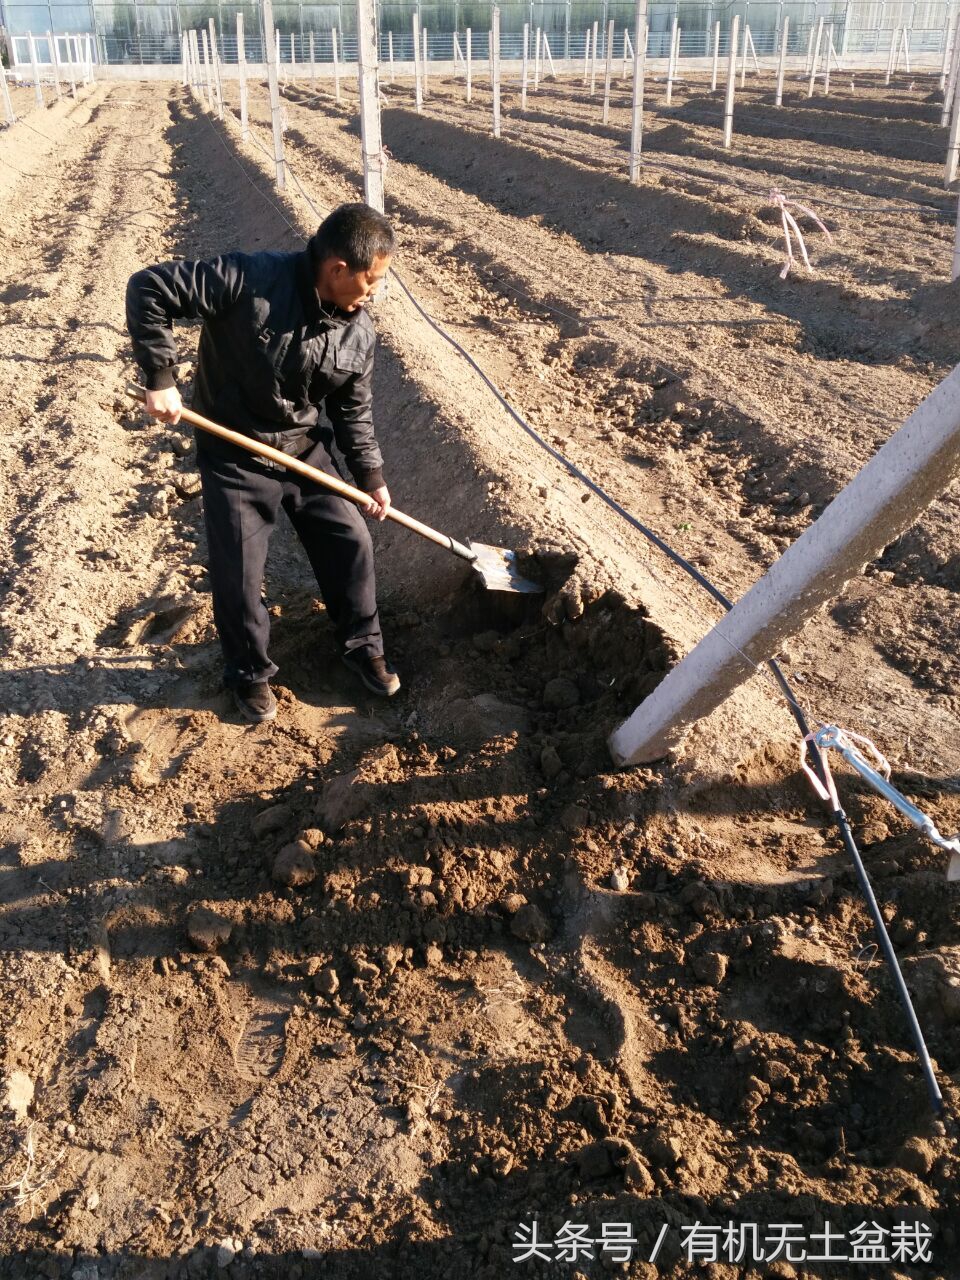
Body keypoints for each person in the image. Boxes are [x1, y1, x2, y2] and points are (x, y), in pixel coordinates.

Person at [125, 202, 400, 724]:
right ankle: (248, 674)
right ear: (337, 269)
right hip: (234, 450)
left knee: (350, 538)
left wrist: (371, 478)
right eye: (371, 280)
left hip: (301, 448)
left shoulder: (357, 333)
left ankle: (362, 645)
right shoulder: (250, 279)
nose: (374, 292)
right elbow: (148, 287)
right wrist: (161, 378)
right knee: (241, 569)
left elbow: (353, 411)